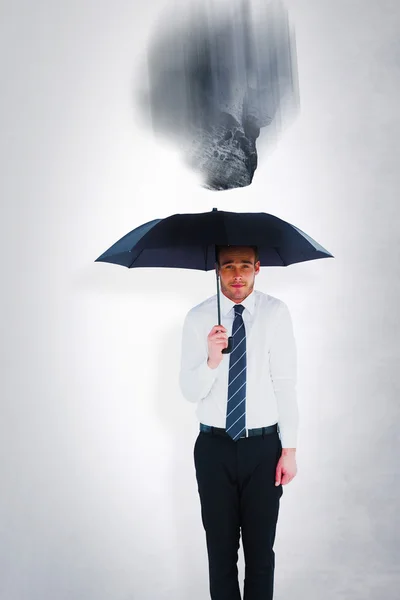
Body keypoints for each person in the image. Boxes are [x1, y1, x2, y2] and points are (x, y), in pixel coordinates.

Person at [179, 244, 299, 600]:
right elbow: (189, 391)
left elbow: (285, 383)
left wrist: (289, 449)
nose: (236, 274)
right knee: (220, 555)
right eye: (228, 266)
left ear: (258, 268)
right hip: (213, 448)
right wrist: (213, 358)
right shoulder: (198, 317)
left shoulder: (275, 313)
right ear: (217, 270)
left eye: (244, 266)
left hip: (263, 449)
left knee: (261, 554)